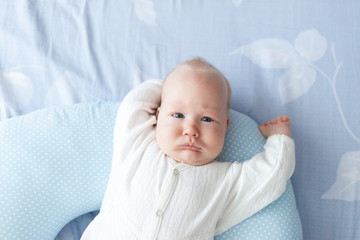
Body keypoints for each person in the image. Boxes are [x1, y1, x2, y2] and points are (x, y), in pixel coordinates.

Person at [81, 57, 295, 240]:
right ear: (158, 115)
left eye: (207, 119)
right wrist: (171, 87)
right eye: (178, 115)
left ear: (226, 127)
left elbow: (271, 177)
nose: (191, 130)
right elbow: (134, 103)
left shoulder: (226, 180)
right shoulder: (138, 146)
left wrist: (279, 137)